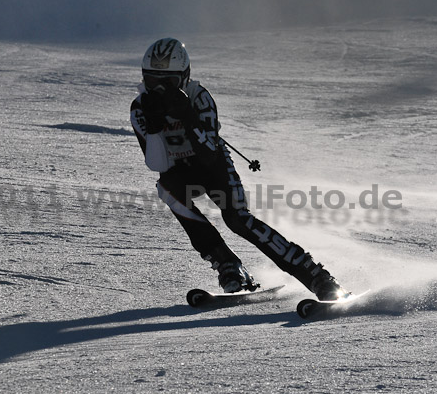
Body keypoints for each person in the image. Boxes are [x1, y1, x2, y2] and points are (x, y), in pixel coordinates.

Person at [130, 37, 348, 300]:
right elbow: (159, 165)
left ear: (185, 78)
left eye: (169, 83)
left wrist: (187, 117)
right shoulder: (140, 108)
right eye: (153, 82)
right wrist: (154, 127)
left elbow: (210, 155)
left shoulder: (199, 98)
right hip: (181, 172)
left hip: (214, 168)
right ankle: (228, 265)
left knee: (237, 219)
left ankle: (315, 275)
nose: (160, 90)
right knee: (166, 188)